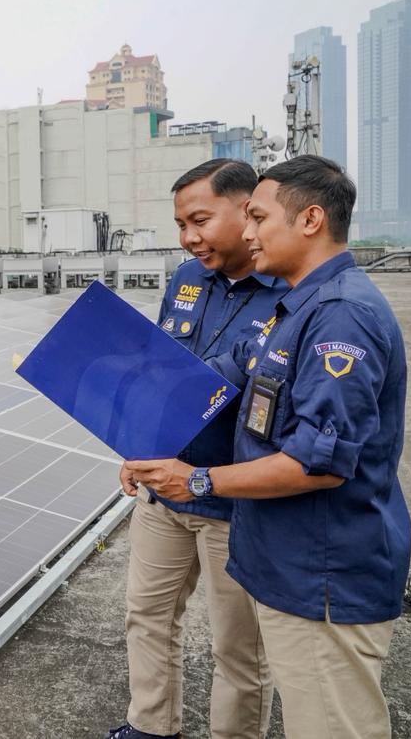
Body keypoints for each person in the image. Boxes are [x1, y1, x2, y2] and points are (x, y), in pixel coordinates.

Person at [128, 155, 411, 739]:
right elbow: (213, 374)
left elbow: (318, 461)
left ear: (310, 219)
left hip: (322, 567)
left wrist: (199, 480)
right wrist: (131, 424)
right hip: (284, 556)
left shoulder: (340, 316)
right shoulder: (296, 308)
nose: (250, 230)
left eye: (257, 217)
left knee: (323, 719)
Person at [105, 160, 282, 739]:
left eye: (200, 220)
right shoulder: (186, 278)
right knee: (147, 616)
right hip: (162, 494)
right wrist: (136, 444)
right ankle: (151, 726)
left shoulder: (289, 290)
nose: (189, 237)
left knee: (239, 650)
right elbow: (160, 375)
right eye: (181, 224)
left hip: (234, 502)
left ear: (247, 209)